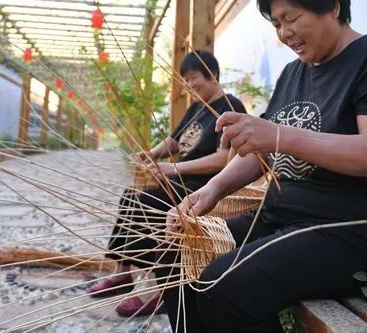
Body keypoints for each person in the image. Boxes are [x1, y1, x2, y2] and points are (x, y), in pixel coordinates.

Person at [157, 0, 367, 332]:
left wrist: (279, 135)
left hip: (359, 232)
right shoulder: (294, 73)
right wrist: (213, 190)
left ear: (333, 6)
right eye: (277, 23)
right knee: (181, 258)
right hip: (284, 221)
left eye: (292, 17)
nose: (285, 34)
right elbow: (263, 148)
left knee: (224, 285)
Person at [87, 51, 247, 317]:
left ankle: (157, 289)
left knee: (149, 203)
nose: (189, 85)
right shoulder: (197, 108)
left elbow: (224, 158)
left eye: (194, 77)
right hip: (180, 180)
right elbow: (173, 141)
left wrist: (173, 167)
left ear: (213, 75)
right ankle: (122, 271)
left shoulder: (230, 106)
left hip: (206, 187)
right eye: (185, 80)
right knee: (131, 196)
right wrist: (150, 154)